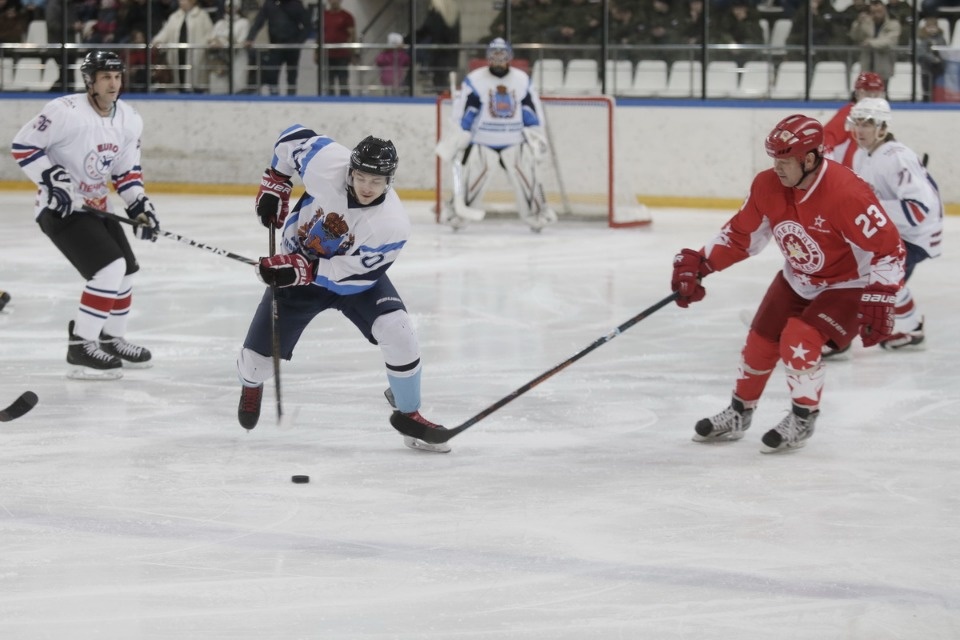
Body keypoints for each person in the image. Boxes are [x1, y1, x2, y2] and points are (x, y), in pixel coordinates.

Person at [671, 114, 905, 452]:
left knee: (800, 339)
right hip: (798, 277)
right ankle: (739, 413)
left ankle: (802, 417)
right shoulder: (768, 186)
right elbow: (742, 235)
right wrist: (702, 263)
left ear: (809, 159)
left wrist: (882, 295)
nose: (777, 168)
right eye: (774, 159)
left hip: (849, 283)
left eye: (785, 161)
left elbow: (889, 247)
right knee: (759, 342)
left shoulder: (846, 193)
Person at [236, 127, 450, 453]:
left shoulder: (390, 224)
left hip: (351, 281)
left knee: (398, 330)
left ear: (389, 182)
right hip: (296, 273)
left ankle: (409, 414)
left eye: (377, 181)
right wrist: (276, 181)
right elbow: (292, 138)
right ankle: (251, 384)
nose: (367, 187)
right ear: (350, 170)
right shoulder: (328, 165)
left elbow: (356, 278)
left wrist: (304, 270)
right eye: (361, 177)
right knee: (255, 365)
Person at [10, 50, 159, 379]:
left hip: (98, 207)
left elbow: (126, 171)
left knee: (126, 272)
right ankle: (81, 346)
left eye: (117, 76)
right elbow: (23, 145)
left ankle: (111, 337)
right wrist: (54, 180)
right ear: (90, 81)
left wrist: (139, 204)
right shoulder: (64, 111)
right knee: (109, 269)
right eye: (106, 77)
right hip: (60, 209)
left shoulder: (129, 119)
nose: (113, 83)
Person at [847, 97, 942, 350]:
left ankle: (838, 336)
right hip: (896, 232)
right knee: (870, 276)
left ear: (882, 127)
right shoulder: (861, 155)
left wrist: (869, 213)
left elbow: (918, 209)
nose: (860, 129)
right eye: (857, 123)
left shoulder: (896, 157)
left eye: (868, 123)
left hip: (916, 235)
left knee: (877, 278)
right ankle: (913, 330)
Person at [434, 38, 556, 232]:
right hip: (483, 141)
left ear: (509, 57)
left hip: (515, 141)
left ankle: (537, 217)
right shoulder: (475, 79)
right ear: (488, 57)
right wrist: (461, 132)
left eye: (502, 56)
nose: (498, 60)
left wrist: (536, 132)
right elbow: (467, 109)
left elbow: (530, 108)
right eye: (494, 56)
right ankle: (456, 217)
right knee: (472, 183)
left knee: (528, 182)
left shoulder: (521, 79)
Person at [243, 0, 309, 96]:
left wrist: (298, 42)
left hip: (292, 47)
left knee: (292, 76)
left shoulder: (296, 4)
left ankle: (292, 97)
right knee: (272, 74)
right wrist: (250, 38)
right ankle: (274, 97)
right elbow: (258, 22)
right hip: (275, 46)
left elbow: (307, 26)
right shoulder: (269, 4)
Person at [823, 71, 885, 169]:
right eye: (868, 94)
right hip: (847, 177)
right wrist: (832, 173)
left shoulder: (880, 117)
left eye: (876, 95)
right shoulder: (849, 113)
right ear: (858, 93)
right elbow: (824, 142)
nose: (872, 100)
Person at [150, 0, 214, 92]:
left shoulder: (202, 16)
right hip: (177, 56)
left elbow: (210, 35)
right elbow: (165, 33)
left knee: (195, 82)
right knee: (177, 80)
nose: (181, 2)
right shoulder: (174, 17)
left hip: (195, 56)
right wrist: (157, 41)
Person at [849, 0, 901, 87]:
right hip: (867, 62)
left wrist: (870, 42)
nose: (876, 14)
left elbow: (890, 41)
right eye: (873, 12)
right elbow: (855, 36)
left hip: (884, 62)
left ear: (884, 9)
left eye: (879, 11)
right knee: (865, 90)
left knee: (882, 91)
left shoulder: (893, 23)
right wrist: (858, 23)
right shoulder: (866, 22)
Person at [207, 0, 249, 94]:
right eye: (228, 6)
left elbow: (241, 42)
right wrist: (216, 43)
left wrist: (223, 44)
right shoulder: (220, 23)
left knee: (237, 87)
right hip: (220, 61)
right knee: (218, 90)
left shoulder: (243, 23)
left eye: (233, 6)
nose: (230, 9)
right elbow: (211, 39)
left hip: (236, 60)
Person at [319, 0, 355, 96]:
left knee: (343, 80)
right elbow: (319, 34)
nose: (334, 1)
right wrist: (316, 52)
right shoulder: (323, 16)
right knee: (329, 81)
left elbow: (352, 35)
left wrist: (352, 52)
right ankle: (329, 101)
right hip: (327, 55)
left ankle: (345, 102)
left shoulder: (346, 16)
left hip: (342, 55)